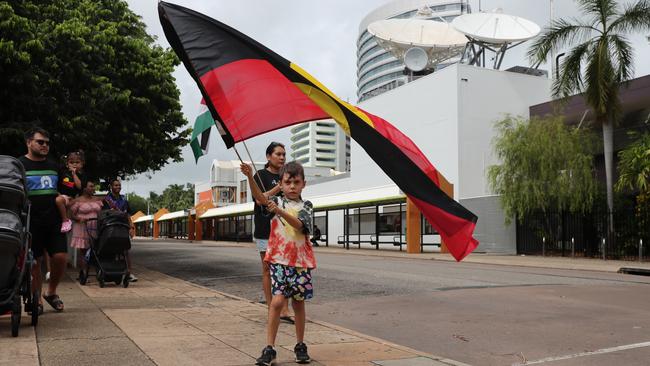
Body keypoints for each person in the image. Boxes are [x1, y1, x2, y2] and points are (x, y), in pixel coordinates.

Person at [242, 161, 315, 365]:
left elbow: (301, 225)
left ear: (303, 184)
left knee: (298, 303)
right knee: (276, 303)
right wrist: (250, 176)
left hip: (300, 263)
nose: (292, 186)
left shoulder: (306, 206)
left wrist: (280, 211)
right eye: (288, 182)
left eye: (296, 182)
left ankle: (300, 345)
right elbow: (259, 198)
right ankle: (270, 347)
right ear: (281, 184)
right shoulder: (274, 201)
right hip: (279, 262)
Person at [241, 142, 292, 323]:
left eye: (284, 154)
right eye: (278, 154)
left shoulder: (287, 176)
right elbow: (259, 199)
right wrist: (276, 189)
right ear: (268, 156)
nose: (282, 157)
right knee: (267, 269)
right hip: (265, 229)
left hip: (284, 229)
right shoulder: (260, 175)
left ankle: (285, 309)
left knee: (285, 268)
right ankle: (272, 307)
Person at [18, 127, 66, 313]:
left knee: (61, 256)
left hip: (53, 219)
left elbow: (64, 189)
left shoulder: (55, 166)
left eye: (47, 142)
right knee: (35, 262)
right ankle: (36, 298)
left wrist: (66, 198)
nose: (45, 145)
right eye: (40, 142)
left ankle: (51, 292)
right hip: (30, 220)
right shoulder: (19, 165)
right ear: (28, 142)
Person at [102, 179, 137, 282]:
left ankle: (129, 272)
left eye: (119, 185)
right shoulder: (107, 200)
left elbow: (128, 215)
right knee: (111, 250)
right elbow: (104, 214)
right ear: (111, 187)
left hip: (123, 227)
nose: (118, 187)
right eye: (116, 185)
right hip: (111, 227)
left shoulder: (124, 199)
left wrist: (131, 227)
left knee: (125, 250)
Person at [70, 180, 103, 271]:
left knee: (95, 249)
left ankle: (96, 270)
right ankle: (83, 272)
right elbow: (71, 215)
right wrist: (79, 219)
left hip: (95, 226)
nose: (93, 188)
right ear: (84, 188)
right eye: (91, 186)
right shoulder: (78, 200)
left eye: (93, 186)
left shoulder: (97, 199)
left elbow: (101, 213)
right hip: (82, 226)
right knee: (83, 251)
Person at [55, 151, 85, 233]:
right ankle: (65, 220)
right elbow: (56, 185)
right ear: (67, 164)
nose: (74, 164)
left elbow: (79, 186)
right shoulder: (63, 172)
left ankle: (69, 223)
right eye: (71, 162)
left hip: (73, 198)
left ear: (82, 164)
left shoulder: (81, 175)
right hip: (62, 196)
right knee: (58, 200)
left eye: (77, 162)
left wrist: (74, 174)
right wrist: (59, 194)